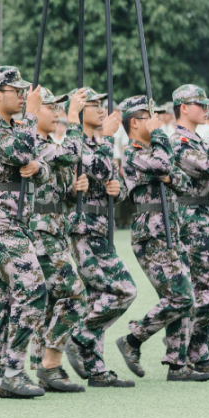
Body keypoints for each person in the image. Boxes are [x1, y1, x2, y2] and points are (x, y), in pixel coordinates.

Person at [113, 95, 207, 382]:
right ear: (134, 123)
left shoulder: (154, 150)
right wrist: (160, 145)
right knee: (180, 296)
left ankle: (177, 364)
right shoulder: (132, 153)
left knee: (182, 296)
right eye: (148, 118)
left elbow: (181, 181)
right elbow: (164, 167)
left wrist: (167, 174)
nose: (155, 122)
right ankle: (132, 339)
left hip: (169, 229)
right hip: (150, 233)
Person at [0, 66, 48, 398]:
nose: (21, 96)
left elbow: (36, 165)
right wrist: (31, 116)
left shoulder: (15, 127)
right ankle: (15, 369)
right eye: (15, 91)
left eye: (23, 92)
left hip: (15, 222)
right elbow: (20, 152)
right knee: (33, 289)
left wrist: (37, 169)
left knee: (4, 298)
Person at [63, 88, 134, 388]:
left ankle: (95, 366)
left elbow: (116, 182)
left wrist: (118, 192)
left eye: (102, 104)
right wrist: (105, 138)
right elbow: (98, 167)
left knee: (99, 297)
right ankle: (78, 336)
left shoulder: (98, 143)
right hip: (82, 228)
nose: (101, 109)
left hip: (102, 227)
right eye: (92, 105)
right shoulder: (73, 141)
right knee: (122, 290)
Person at [167, 85, 209, 377]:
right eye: (200, 104)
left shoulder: (196, 138)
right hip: (190, 219)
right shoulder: (179, 141)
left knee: (204, 288)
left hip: (205, 216)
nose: (206, 109)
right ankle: (180, 345)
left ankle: (198, 353)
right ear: (183, 107)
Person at [25, 86, 88, 393]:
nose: (58, 113)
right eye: (50, 107)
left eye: (60, 109)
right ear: (35, 109)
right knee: (76, 296)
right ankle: (51, 364)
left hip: (54, 228)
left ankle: (41, 364)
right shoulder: (32, 143)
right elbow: (73, 152)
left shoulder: (48, 143)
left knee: (52, 301)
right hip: (39, 231)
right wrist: (75, 118)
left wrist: (73, 192)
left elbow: (56, 193)